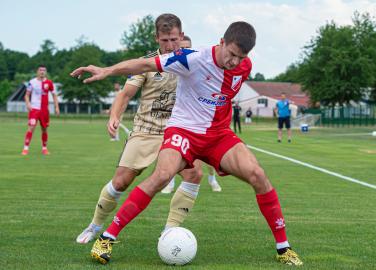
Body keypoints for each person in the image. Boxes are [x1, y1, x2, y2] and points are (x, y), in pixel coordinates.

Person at [71, 21, 303, 266]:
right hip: (184, 130)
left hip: (217, 134)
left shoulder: (244, 66)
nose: (234, 61)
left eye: (241, 57)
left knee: (258, 175)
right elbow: (146, 64)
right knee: (162, 175)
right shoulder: (192, 59)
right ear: (221, 42)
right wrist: (107, 70)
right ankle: (107, 237)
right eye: (231, 54)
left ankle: (283, 248)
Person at [75, 13, 204, 244]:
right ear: (157, 38)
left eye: (174, 39)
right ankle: (94, 225)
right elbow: (125, 94)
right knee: (121, 182)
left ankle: (169, 232)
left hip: (178, 132)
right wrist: (114, 116)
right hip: (146, 130)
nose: (170, 45)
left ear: (181, 36)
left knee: (194, 174)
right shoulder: (145, 64)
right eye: (165, 40)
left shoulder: (194, 62)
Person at [161, 35, 222, 194]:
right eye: (182, 48)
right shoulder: (171, 67)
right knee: (172, 152)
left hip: (200, 121)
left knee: (208, 158)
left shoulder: (197, 67)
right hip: (177, 119)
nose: (185, 51)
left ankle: (212, 178)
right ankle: (170, 181)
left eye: (188, 47)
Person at [21, 65, 59, 155]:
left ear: (46, 72)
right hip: (34, 109)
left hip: (44, 110)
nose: (42, 72)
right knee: (31, 127)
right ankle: (25, 148)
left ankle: (44, 148)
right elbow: (26, 95)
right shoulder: (32, 82)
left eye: (44, 70)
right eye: (40, 70)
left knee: (44, 129)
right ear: (37, 71)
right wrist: (28, 104)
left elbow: (54, 95)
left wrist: (56, 107)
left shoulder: (49, 83)